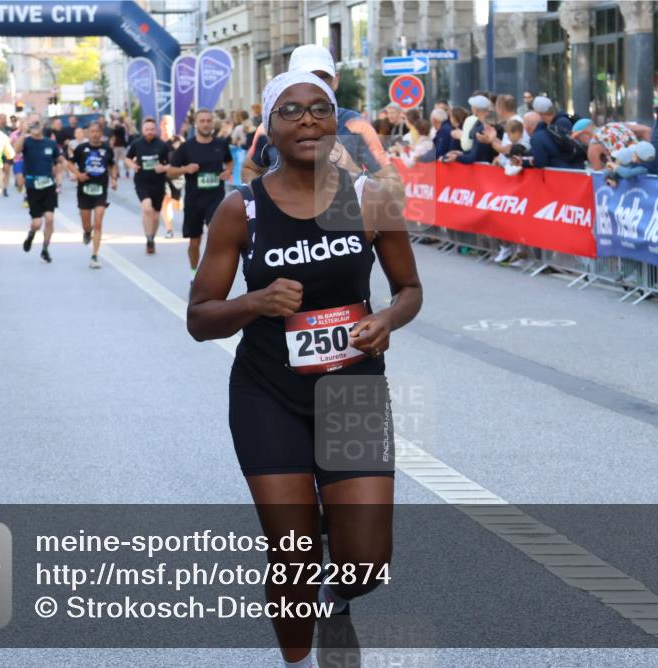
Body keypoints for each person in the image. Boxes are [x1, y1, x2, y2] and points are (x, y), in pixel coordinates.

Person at [186, 70, 422, 668]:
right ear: (269, 127)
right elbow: (199, 316)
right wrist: (254, 303)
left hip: (353, 392)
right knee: (291, 557)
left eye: (320, 109)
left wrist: (387, 320)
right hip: (270, 392)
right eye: (291, 111)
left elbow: (410, 288)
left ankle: (335, 595)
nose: (308, 119)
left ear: (334, 119)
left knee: (367, 562)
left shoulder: (370, 197)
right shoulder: (242, 211)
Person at [240, 45, 400, 200]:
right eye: (306, 77)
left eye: (323, 78)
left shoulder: (357, 126)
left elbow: (395, 190)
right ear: (290, 81)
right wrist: (262, 203)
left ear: (335, 81)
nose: (316, 85)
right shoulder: (270, 127)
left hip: (340, 225)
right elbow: (250, 169)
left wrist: (353, 172)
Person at [167, 108, 233, 281]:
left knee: (215, 236)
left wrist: (228, 172)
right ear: (196, 124)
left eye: (208, 121)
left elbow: (229, 161)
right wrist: (185, 169)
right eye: (202, 121)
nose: (205, 124)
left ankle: (213, 274)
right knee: (194, 242)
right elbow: (170, 172)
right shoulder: (186, 147)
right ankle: (194, 274)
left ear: (212, 123)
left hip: (215, 198)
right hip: (194, 200)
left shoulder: (221, 144)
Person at [14, 114, 64, 263]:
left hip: (48, 185)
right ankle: (31, 234)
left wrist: (70, 172)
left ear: (42, 125)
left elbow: (60, 160)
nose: (35, 126)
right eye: (32, 124)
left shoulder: (50, 143)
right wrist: (24, 132)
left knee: (49, 218)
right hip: (32, 187)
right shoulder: (27, 141)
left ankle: (45, 249)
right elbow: (16, 150)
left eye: (37, 123)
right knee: (37, 223)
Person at [68, 120, 118, 269]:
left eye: (98, 132)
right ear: (88, 133)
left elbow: (111, 165)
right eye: (92, 132)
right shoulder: (81, 148)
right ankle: (86, 232)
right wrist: (78, 174)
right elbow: (69, 163)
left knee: (98, 221)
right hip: (84, 190)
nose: (95, 134)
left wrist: (114, 179)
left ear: (101, 134)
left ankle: (95, 255)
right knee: (86, 223)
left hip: (101, 190)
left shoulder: (106, 149)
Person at [126, 117, 171, 254]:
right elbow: (127, 158)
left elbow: (172, 163)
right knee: (147, 209)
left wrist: (163, 168)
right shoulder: (137, 144)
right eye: (147, 129)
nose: (150, 131)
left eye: (152, 129)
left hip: (158, 182)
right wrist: (133, 165)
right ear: (143, 130)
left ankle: (151, 238)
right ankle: (148, 239)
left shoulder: (162, 145)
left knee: (156, 216)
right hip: (142, 181)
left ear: (155, 130)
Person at [571, 118, 652, 170]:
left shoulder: (593, 146)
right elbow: (647, 130)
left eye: (578, 138)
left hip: (626, 177)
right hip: (645, 167)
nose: (580, 142)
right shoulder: (616, 125)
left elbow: (599, 177)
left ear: (585, 134)